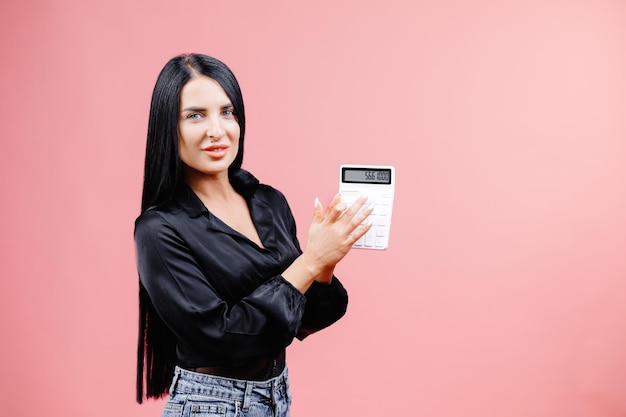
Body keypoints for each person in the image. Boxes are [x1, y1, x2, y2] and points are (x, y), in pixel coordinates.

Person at [134, 53, 373, 416]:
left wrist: (325, 262)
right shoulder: (159, 229)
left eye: (227, 112)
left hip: (277, 396)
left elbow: (306, 317)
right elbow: (223, 338)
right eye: (195, 115)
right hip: (209, 404)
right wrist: (310, 261)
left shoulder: (268, 202)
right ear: (169, 127)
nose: (217, 130)